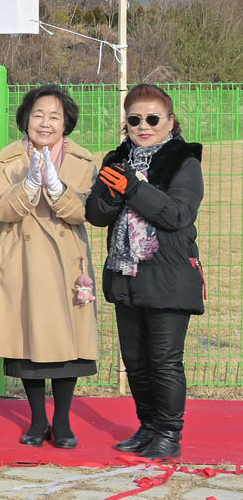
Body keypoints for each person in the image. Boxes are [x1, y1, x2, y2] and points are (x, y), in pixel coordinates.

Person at [86, 84, 204, 460]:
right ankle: (148, 426)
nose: (144, 126)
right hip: (126, 273)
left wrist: (134, 188)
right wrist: (114, 194)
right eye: (135, 119)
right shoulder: (116, 159)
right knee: (135, 361)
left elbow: (178, 215)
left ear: (170, 121)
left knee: (164, 360)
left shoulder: (183, 161)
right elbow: (96, 214)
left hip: (168, 274)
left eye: (153, 118)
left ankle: (169, 432)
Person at [0, 86, 100, 449]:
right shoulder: (7, 160)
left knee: (68, 344)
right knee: (28, 342)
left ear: (66, 123)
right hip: (23, 259)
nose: (45, 123)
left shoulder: (82, 161)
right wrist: (29, 185)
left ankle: (62, 421)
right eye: (38, 115)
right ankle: (37, 420)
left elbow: (85, 212)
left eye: (54, 116)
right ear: (25, 119)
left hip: (68, 262)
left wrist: (56, 187)